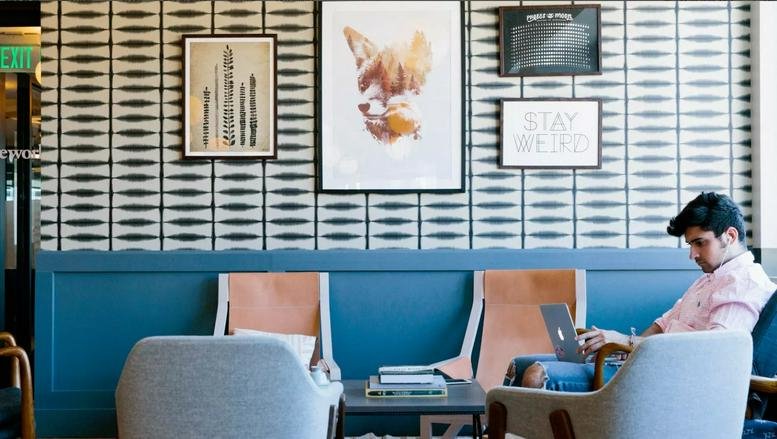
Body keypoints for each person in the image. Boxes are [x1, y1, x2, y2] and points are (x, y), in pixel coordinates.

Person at [505, 192, 777, 392]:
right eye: (690, 244)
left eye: (699, 243)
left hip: (675, 381)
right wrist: (615, 347)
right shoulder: (709, 279)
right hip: (651, 363)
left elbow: (717, 350)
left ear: (729, 236)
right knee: (519, 365)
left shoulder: (742, 282)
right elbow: (660, 327)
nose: (692, 254)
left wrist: (627, 342)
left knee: (537, 375)